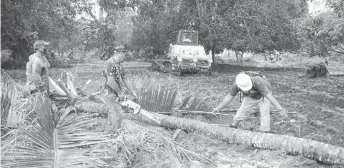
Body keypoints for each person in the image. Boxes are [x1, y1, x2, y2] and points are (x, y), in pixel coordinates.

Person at [211, 72, 288, 133]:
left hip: (264, 95)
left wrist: (280, 109)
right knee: (243, 109)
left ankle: (264, 131)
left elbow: (269, 96)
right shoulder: (236, 85)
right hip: (250, 96)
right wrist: (218, 108)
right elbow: (228, 98)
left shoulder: (258, 82)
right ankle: (234, 126)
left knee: (264, 112)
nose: (246, 89)